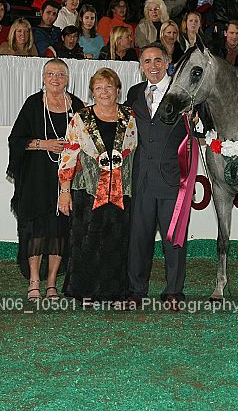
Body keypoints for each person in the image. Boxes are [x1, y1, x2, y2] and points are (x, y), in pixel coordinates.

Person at [58, 68, 137, 302]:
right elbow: (69, 154)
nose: (104, 92)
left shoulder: (130, 117)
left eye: (109, 87)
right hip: (88, 190)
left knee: (118, 240)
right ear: (92, 92)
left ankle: (113, 292)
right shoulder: (80, 118)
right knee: (86, 240)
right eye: (99, 88)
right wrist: (65, 191)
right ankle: (83, 291)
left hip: (122, 191)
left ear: (117, 90)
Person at [8, 59, 85, 299]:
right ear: (43, 78)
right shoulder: (33, 104)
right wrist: (44, 144)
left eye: (61, 74)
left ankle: (51, 283)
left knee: (60, 230)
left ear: (68, 79)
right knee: (36, 229)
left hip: (67, 180)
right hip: (36, 178)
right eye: (50, 74)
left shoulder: (77, 106)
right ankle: (34, 281)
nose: (55, 78)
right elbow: (16, 140)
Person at [125, 45, 190, 309]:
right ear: (141, 66)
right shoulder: (134, 93)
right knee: (138, 239)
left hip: (173, 179)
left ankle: (174, 292)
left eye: (158, 60)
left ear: (167, 62)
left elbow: (197, 130)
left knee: (174, 240)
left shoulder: (182, 93)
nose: (153, 66)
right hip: (141, 178)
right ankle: (135, 291)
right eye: (147, 61)